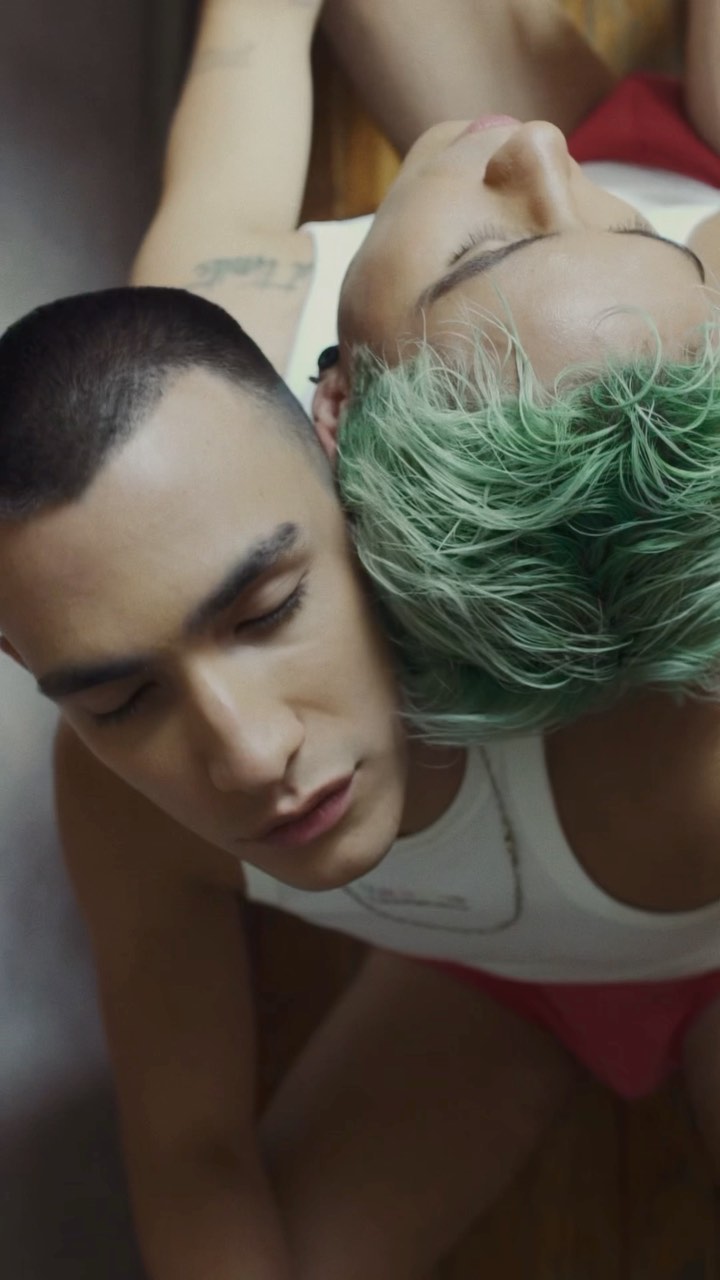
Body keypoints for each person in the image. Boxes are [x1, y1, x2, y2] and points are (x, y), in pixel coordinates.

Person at [2, 2, 720, 1277]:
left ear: (338, 427)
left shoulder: (681, 725)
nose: (248, 752)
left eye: (269, 610)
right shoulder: (208, 348)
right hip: (495, 978)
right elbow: (189, 1153)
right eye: (119, 699)